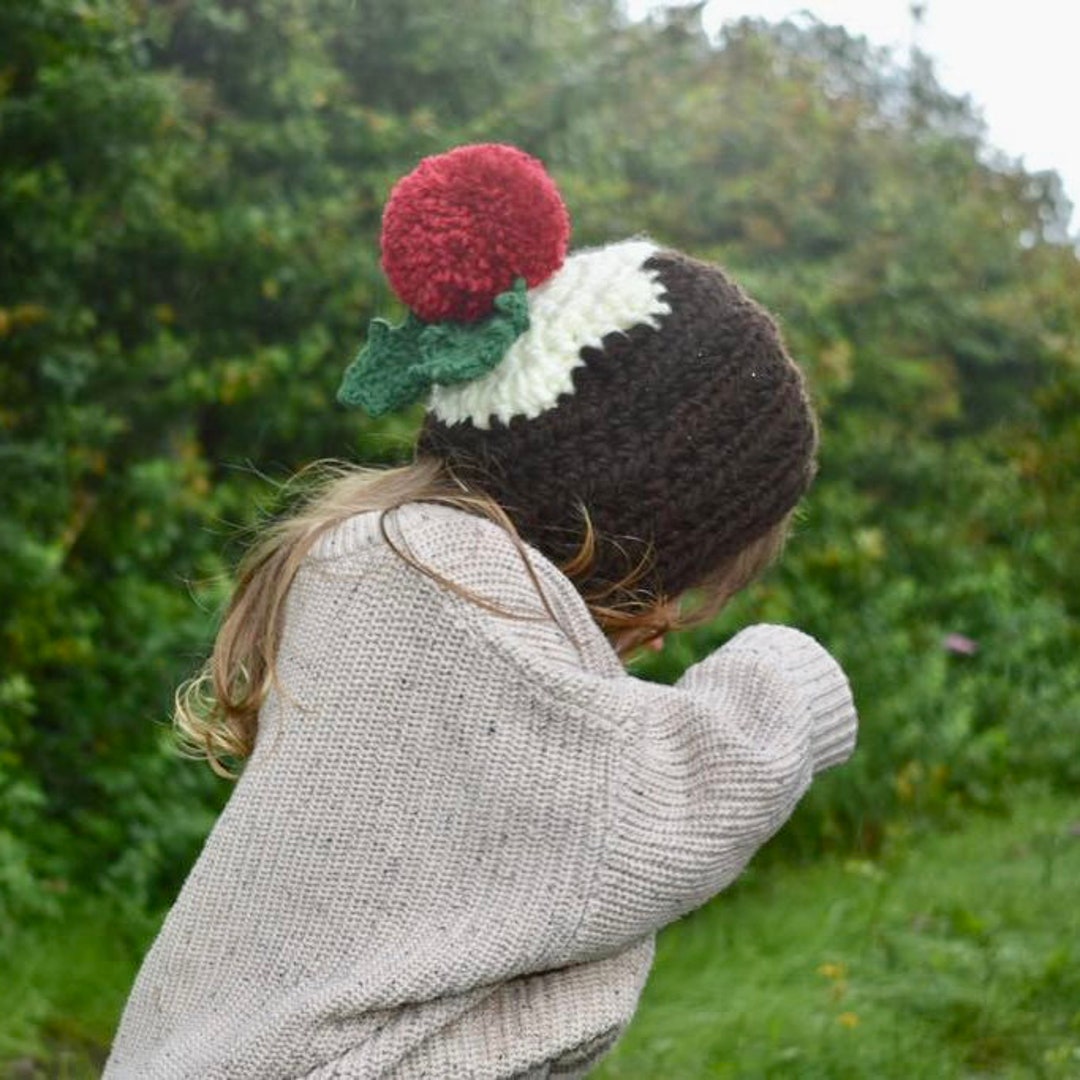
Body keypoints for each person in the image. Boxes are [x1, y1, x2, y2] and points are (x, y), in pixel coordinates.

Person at [104, 144, 858, 1079]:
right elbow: (653, 804)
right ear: (617, 537)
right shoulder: (454, 603)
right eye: (682, 596)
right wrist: (785, 680)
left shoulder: (379, 564)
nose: (666, 633)